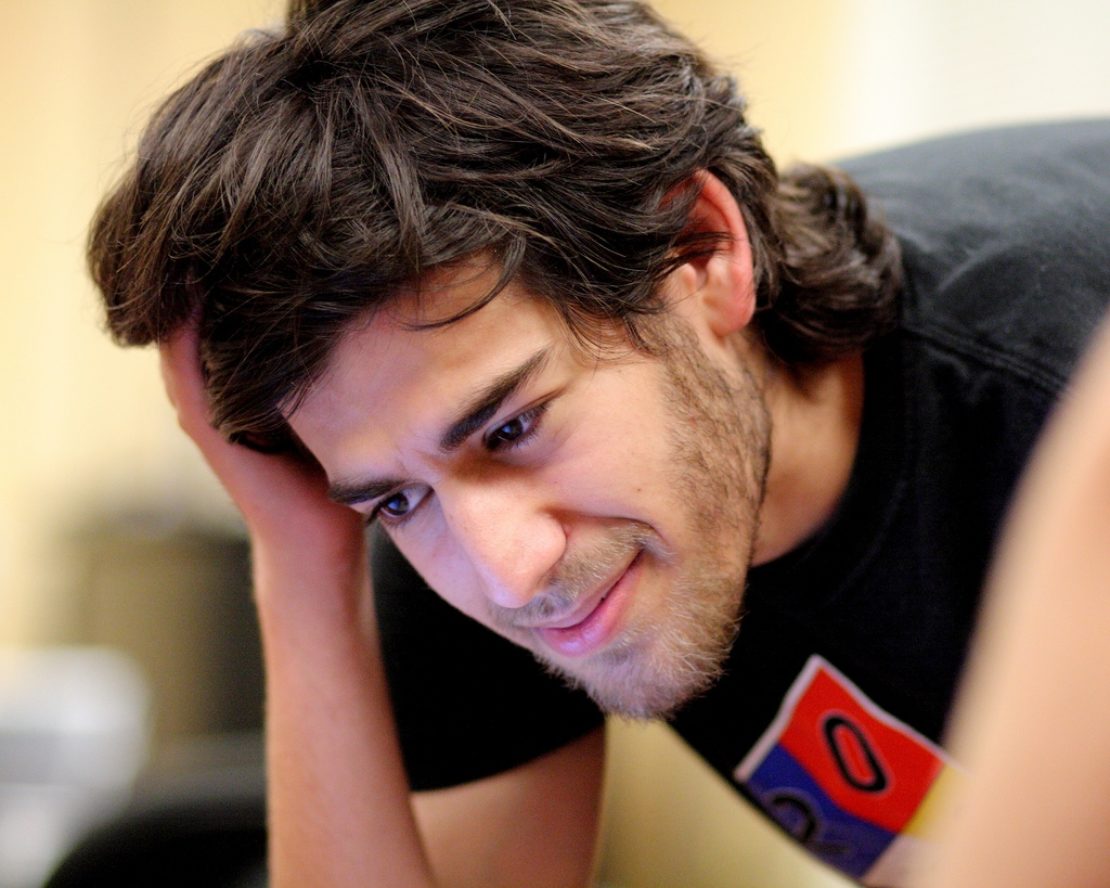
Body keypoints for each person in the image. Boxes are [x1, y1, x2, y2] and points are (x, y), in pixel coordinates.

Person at [86, 0, 1110, 885]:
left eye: (517, 427)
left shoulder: (1055, 403)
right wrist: (303, 561)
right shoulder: (467, 511)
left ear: (703, 252)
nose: (509, 571)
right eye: (392, 500)